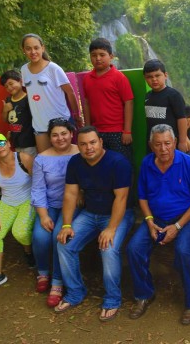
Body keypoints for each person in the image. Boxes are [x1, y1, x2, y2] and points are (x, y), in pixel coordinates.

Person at [127, 124, 190, 325]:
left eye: (167, 143)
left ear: (174, 143)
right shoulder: (147, 164)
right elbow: (143, 197)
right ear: (151, 145)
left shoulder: (188, 163)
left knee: (184, 251)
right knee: (134, 248)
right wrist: (150, 222)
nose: (163, 149)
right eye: (158, 144)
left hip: (186, 218)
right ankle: (144, 294)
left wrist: (178, 226)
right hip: (156, 219)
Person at [55, 126, 134, 322]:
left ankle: (112, 299)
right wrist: (66, 225)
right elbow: (71, 194)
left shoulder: (118, 162)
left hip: (118, 214)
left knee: (108, 248)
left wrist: (111, 228)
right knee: (64, 244)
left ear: (100, 142)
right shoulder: (75, 162)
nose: (88, 147)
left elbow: (121, 198)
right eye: (83, 144)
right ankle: (75, 292)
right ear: (78, 146)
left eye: (92, 142)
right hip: (90, 213)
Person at [0, 133, 36, 296]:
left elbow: (39, 183)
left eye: (1, 143)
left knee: (21, 232)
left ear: (8, 143)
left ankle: (28, 251)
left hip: (27, 200)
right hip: (7, 202)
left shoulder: (24, 158)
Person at [31, 118, 80, 307]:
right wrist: (43, 215)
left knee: (59, 237)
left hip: (74, 204)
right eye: (55, 135)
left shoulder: (80, 151)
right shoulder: (41, 158)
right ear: (50, 137)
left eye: (64, 133)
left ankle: (57, 282)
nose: (60, 138)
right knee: (40, 236)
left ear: (71, 134)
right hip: (49, 204)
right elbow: (37, 189)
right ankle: (43, 271)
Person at [20, 33, 83, 152]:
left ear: (42, 48)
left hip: (60, 122)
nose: (33, 52)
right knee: (46, 162)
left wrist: (77, 115)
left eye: (36, 48)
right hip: (39, 125)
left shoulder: (53, 68)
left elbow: (70, 93)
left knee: (66, 160)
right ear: (23, 50)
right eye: (28, 48)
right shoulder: (24, 70)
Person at [82, 38, 134, 161]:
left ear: (111, 56)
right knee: (100, 164)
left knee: (122, 163)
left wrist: (127, 131)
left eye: (102, 55)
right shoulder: (87, 79)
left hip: (117, 131)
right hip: (96, 131)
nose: (98, 58)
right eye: (94, 55)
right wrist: (88, 128)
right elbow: (87, 104)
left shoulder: (118, 77)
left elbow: (129, 102)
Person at [143, 59, 188, 153]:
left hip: (170, 143)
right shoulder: (147, 96)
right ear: (145, 78)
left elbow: (182, 119)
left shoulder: (173, 95)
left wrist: (183, 142)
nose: (154, 79)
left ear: (165, 75)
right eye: (149, 77)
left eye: (157, 75)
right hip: (153, 143)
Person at [0, 70, 37, 157]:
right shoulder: (8, 100)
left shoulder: (28, 99)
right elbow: (4, 120)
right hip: (16, 142)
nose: (9, 87)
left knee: (30, 166)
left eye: (11, 83)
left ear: (20, 81)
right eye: (6, 86)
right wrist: (5, 110)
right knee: (21, 166)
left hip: (29, 142)